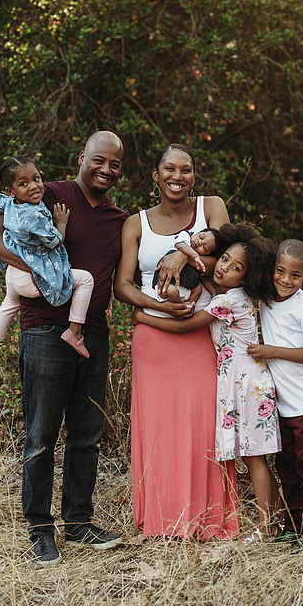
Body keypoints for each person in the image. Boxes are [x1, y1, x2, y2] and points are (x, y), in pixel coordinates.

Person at [0, 131, 129, 566]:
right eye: (98, 160)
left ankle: (79, 523)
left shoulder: (120, 218)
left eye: (115, 165)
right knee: (42, 436)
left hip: (92, 334)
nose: (105, 169)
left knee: (86, 436)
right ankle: (40, 530)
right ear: (82, 157)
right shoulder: (52, 194)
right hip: (45, 331)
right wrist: (42, 272)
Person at [114, 143, 239, 540]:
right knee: (158, 428)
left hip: (202, 333)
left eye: (186, 170)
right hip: (155, 337)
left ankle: (205, 521)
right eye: (169, 168)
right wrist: (156, 307)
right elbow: (121, 285)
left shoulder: (211, 207)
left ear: (194, 177)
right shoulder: (137, 223)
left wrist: (181, 254)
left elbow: (230, 251)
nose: (177, 176)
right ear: (156, 174)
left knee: (202, 425)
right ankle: (163, 521)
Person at [132, 223, 282, 542]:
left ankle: (268, 530)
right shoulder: (229, 295)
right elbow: (210, 283)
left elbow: (186, 327)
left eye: (235, 267)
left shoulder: (228, 301)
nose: (225, 267)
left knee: (255, 458)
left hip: (247, 385)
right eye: (224, 259)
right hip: (242, 381)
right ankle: (275, 521)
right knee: (256, 457)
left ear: (247, 276)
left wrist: (142, 317)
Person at [247, 238, 303, 549]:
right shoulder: (267, 300)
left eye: (295, 275)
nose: (286, 280)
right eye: (280, 271)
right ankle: (293, 525)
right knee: (287, 467)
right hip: (282, 405)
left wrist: (272, 351)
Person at [0, 155, 94, 373]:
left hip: (12, 273)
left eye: (36, 179)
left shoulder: (8, 203)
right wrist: (61, 223)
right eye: (23, 184)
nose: (33, 186)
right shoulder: (35, 214)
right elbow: (54, 241)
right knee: (86, 280)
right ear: (11, 190)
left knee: (9, 304)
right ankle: (75, 330)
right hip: (31, 274)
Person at [151, 226, 223, 304]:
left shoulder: (199, 261)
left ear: (207, 255)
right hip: (167, 283)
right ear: (197, 233)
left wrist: (213, 292)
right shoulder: (185, 237)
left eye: (205, 247)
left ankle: (188, 305)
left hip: (186, 288)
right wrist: (194, 256)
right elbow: (180, 245)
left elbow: (204, 279)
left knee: (198, 289)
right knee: (172, 292)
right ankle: (177, 306)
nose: (200, 242)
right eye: (201, 237)